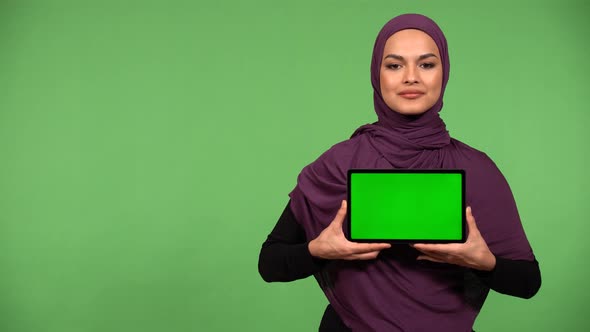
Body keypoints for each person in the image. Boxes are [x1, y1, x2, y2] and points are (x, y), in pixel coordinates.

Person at [258, 13, 541, 332]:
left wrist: (485, 263)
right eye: (394, 65)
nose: (411, 77)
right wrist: (319, 250)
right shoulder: (339, 162)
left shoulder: (478, 169)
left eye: (426, 64)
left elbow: (528, 281)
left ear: (443, 72)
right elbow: (269, 263)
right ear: (376, 74)